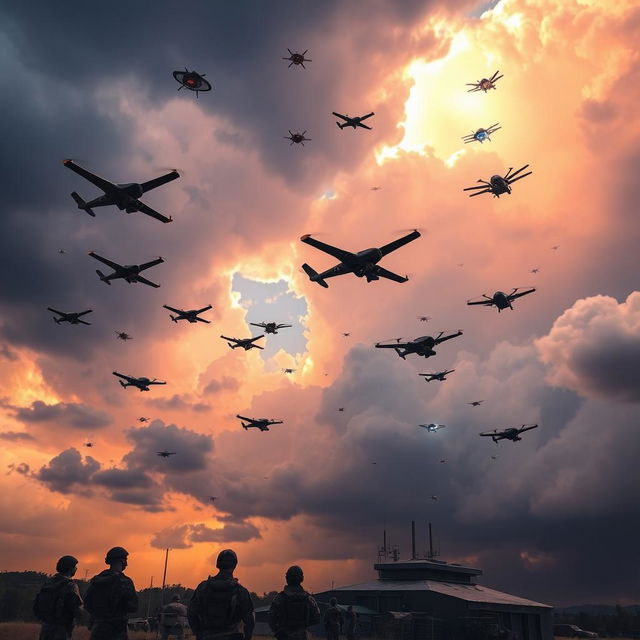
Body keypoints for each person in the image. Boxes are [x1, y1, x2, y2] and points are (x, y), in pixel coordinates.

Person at [188, 548, 255, 640]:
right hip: (231, 636)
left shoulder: (203, 588)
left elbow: (191, 613)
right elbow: (249, 620)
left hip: (207, 636)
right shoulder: (240, 591)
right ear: (235, 565)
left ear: (218, 564)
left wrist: (198, 633)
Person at [84, 546, 138, 640]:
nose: (126, 563)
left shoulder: (96, 580)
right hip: (117, 630)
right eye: (125, 560)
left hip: (97, 629)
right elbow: (133, 607)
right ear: (122, 561)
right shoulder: (124, 581)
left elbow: (87, 603)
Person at [33, 555, 83, 640]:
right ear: (71, 568)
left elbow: (36, 607)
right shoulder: (70, 585)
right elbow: (77, 610)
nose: (76, 569)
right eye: (75, 567)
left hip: (45, 629)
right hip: (62, 631)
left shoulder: (47, 584)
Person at [268, 565, 320, 640]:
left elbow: (271, 618)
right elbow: (316, 618)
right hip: (302, 635)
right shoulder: (308, 598)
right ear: (302, 578)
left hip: (284, 635)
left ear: (287, 578)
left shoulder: (280, 597)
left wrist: (278, 631)